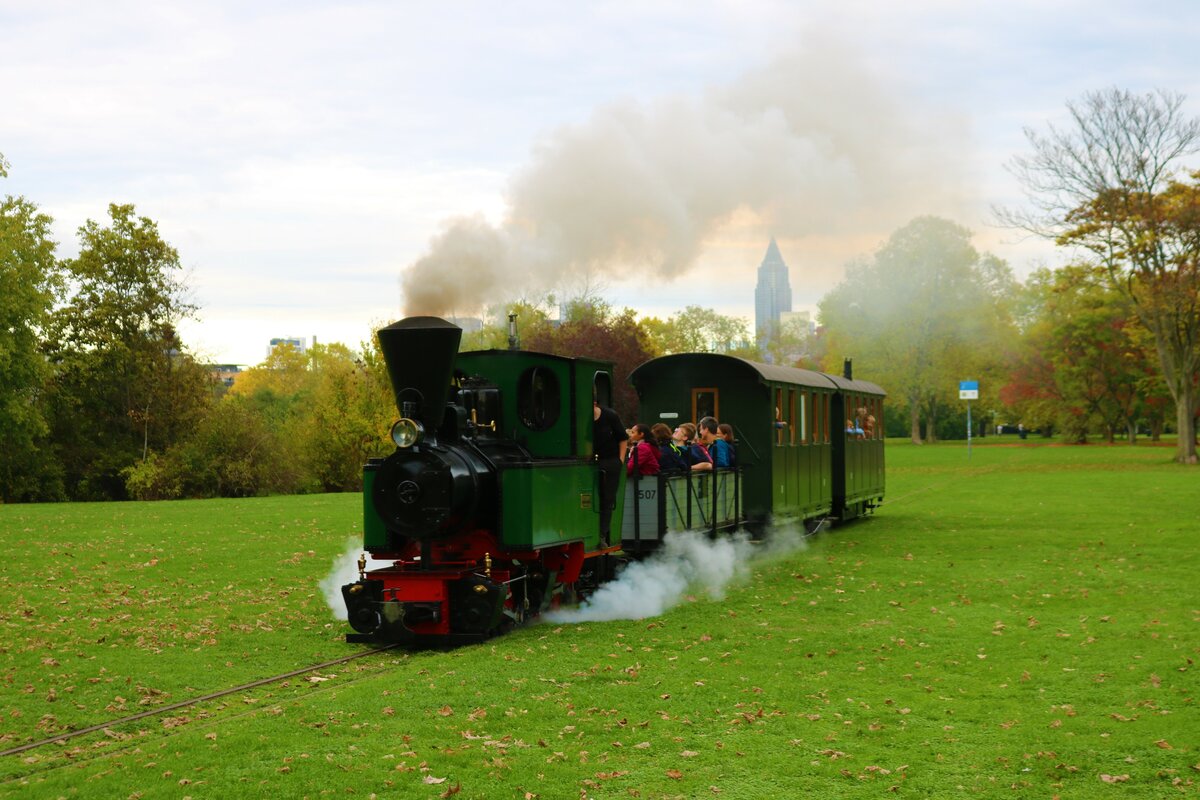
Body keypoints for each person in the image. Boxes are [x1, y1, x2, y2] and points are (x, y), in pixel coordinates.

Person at [593, 399, 628, 545]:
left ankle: (602, 534)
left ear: (595, 402)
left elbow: (623, 438)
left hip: (610, 460)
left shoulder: (610, 415)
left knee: (607, 498)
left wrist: (620, 460)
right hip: (590, 461)